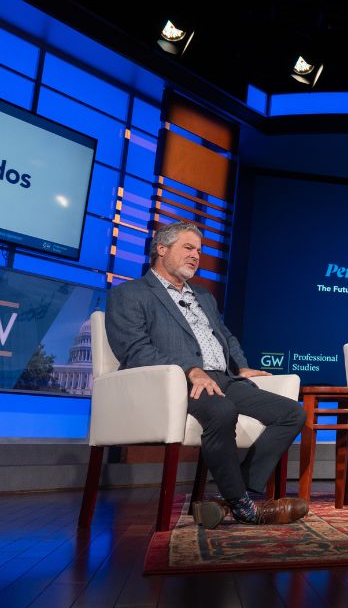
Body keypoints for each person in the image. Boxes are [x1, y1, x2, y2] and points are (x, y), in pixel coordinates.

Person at [105, 222, 308, 528]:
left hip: (223, 378)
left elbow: (224, 335)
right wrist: (190, 370)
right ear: (162, 249)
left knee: (292, 413)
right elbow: (133, 350)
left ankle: (236, 497)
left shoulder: (203, 295)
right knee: (222, 410)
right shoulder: (129, 294)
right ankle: (244, 507)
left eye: (199, 250)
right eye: (188, 248)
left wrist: (241, 366)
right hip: (175, 382)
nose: (196, 255)